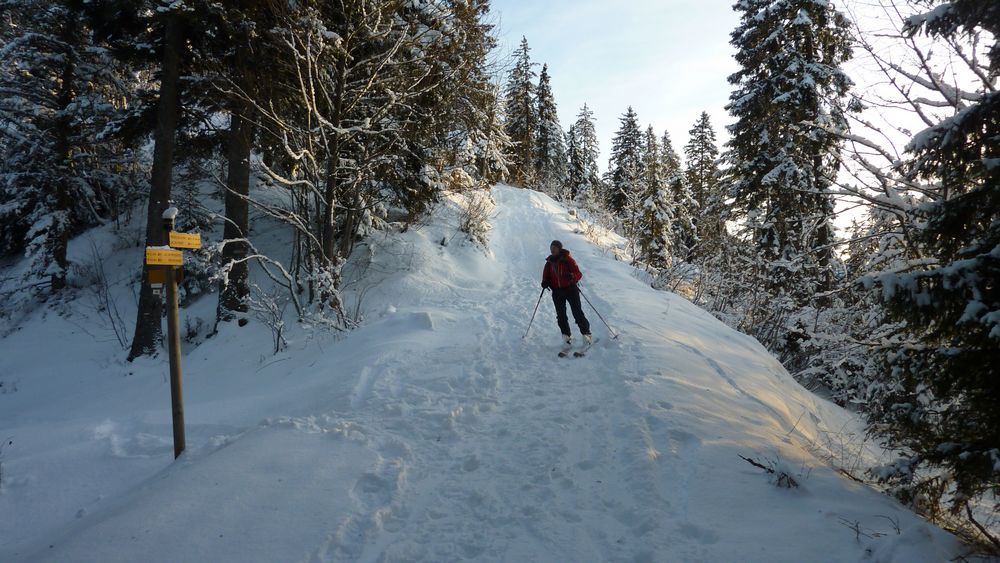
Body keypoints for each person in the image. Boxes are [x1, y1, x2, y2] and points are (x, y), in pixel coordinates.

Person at [541, 240, 592, 345]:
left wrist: (572, 276)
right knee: (561, 315)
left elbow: (578, 273)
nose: (552, 250)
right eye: (551, 248)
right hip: (557, 292)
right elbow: (545, 277)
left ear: (559, 249)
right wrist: (545, 283)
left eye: (554, 248)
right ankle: (566, 336)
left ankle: (586, 334)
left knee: (577, 313)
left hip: (570, 289)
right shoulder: (549, 263)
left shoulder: (568, 260)